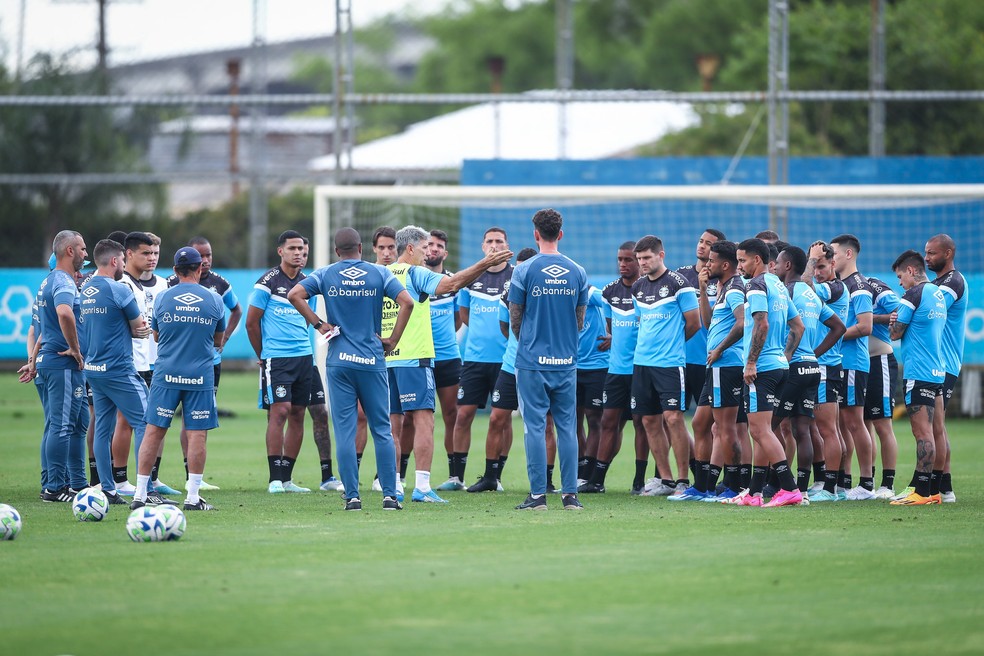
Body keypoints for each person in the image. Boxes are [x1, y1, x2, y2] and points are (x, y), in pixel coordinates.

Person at [381, 225, 514, 503]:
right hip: (415, 359)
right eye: (423, 246)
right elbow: (451, 285)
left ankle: (392, 486)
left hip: (387, 360)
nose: (427, 251)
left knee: (393, 426)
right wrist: (484, 263)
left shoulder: (383, 273)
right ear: (410, 248)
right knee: (424, 422)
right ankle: (422, 487)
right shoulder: (415, 273)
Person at [288, 227, 414, 511]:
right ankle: (390, 496)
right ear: (360, 248)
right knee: (382, 429)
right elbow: (407, 302)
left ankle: (353, 497)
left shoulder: (325, 273)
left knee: (345, 431)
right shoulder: (380, 273)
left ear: (336, 252)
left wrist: (319, 324)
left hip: (339, 362)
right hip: (371, 360)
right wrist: (393, 340)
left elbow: (295, 294)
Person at [130, 247, 226, 511]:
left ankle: (139, 494)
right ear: (199, 269)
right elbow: (218, 340)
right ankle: (193, 498)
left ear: (174, 270)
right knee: (197, 435)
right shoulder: (215, 299)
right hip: (200, 376)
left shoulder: (161, 297)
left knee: (153, 431)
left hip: (166, 374)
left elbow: (157, 336)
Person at [509, 208, 589, 511]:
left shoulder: (524, 269)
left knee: (535, 427)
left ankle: (538, 496)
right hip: (567, 361)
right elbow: (579, 320)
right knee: (567, 427)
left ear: (535, 234)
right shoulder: (577, 271)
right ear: (561, 233)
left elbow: (515, 317)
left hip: (531, 361)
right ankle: (570, 496)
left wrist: (531, 341)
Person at [723, 238, 804, 508]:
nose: (740, 266)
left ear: (757, 260)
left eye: (743, 260)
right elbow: (798, 326)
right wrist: (784, 355)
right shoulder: (778, 285)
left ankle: (790, 488)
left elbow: (762, 324)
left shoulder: (755, 285)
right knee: (762, 432)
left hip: (762, 369)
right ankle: (755, 492)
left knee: (759, 431)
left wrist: (751, 363)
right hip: (779, 366)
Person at [79, 239, 153, 505]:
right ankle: (146, 490)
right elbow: (139, 326)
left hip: (94, 369)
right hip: (119, 369)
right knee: (147, 423)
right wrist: (138, 330)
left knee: (101, 428)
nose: (123, 264)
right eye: (122, 260)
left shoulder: (84, 289)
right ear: (114, 261)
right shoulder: (119, 289)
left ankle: (107, 489)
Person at [167, 236, 242, 493]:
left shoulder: (220, 284)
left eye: (208, 254)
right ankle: (167, 476)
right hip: (175, 363)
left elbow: (237, 310)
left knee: (197, 420)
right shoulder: (171, 284)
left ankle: (194, 477)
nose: (206, 260)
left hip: (210, 364)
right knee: (169, 422)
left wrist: (225, 338)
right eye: (201, 256)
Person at [441, 227, 513, 491]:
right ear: (483, 246)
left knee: (501, 418)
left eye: (499, 241)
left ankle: (496, 476)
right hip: (473, 359)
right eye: (490, 241)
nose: (494, 245)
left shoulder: (516, 276)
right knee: (463, 415)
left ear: (507, 246)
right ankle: (456, 478)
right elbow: (465, 315)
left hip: (507, 361)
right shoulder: (471, 277)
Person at [630, 235, 701, 496]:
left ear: (662, 255)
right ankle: (666, 480)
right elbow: (642, 322)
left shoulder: (679, 284)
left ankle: (683, 479)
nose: (642, 263)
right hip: (642, 363)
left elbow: (693, 322)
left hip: (670, 364)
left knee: (673, 418)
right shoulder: (637, 287)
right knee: (649, 421)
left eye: (647, 258)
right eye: (639, 259)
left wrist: (672, 344)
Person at [246, 230, 315, 494]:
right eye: (293, 248)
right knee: (280, 411)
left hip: (304, 356)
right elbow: (251, 323)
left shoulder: (308, 283)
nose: (298, 253)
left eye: (302, 249)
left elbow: (308, 320)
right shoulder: (268, 282)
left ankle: (287, 478)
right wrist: (263, 355)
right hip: (277, 358)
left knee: (299, 413)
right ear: (281, 252)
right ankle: (274, 478)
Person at [773, 245, 845, 498]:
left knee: (768, 427)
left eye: (778, 263)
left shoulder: (789, 290)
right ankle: (803, 488)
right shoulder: (813, 295)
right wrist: (814, 354)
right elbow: (839, 327)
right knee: (802, 429)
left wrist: (788, 355)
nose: (775, 267)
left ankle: (779, 484)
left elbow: (798, 327)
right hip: (813, 368)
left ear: (789, 266)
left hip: (793, 368)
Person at [467, 247, 537, 493]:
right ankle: (490, 477)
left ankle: (546, 482)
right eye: (517, 268)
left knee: (544, 423)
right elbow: (505, 327)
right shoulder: (508, 292)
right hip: (510, 364)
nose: (519, 272)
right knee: (497, 418)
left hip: (539, 365)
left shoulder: (548, 292)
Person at [584, 242, 650, 495]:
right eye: (620, 259)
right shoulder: (610, 292)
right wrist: (615, 338)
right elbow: (612, 326)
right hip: (615, 371)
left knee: (641, 423)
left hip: (641, 369)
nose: (623, 264)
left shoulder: (649, 289)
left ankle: (639, 480)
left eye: (628, 260)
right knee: (608, 421)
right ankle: (597, 479)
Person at [113, 232, 175, 498]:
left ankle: (152, 477)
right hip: (131, 364)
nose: (152, 259)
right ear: (128, 254)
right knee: (126, 422)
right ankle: (119, 479)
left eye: (155, 254)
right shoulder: (120, 284)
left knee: (158, 422)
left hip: (158, 364)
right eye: (146, 253)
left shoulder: (164, 285)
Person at [668, 228, 726, 500]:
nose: (702, 246)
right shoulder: (680, 277)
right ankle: (686, 478)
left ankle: (720, 479)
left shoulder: (725, 281)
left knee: (715, 424)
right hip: (682, 360)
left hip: (712, 361)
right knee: (679, 420)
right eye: (701, 241)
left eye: (709, 244)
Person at [889, 250, 947, 506]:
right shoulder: (937, 293)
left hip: (919, 373)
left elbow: (894, 333)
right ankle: (933, 489)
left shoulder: (913, 294)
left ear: (911, 271)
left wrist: (894, 320)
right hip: (937, 371)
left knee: (922, 433)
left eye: (901, 276)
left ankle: (921, 492)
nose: (900, 282)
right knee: (934, 433)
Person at [35, 230, 88, 502]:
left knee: (68, 425)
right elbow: (64, 312)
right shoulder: (64, 281)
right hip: (62, 364)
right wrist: (76, 350)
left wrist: (34, 360)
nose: (85, 254)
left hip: (50, 362)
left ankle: (71, 484)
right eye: (82, 249)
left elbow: (44, 329)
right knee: (62, 426)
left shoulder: (49, 280)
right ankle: (54, 488)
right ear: (69, 251)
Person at [694, 240, 746, 501]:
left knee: (727, 429)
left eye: (712, 261)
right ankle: (701, 486)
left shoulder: (736, 288)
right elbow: (707, 321)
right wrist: (703, 289)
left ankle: (734, 486)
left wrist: (720, 349)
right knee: (700, 422)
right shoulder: (720, 287)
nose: (707, 264)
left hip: (727, 365)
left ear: (725, 265)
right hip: (715, 366)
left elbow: (743, 323)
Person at [801, 241, 850, 502]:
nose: (817, 271)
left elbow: (806, 287)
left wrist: (809, 261)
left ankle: (831, 489)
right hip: (819, 366)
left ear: (833, 264)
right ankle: (835, 485)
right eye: (815, 266)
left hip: (826, 367)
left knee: (828, 429)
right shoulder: (826, 287)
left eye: (821, 266)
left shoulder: (835, 288)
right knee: (825, 429)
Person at [830, 234, 877, 500]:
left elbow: (865, 326)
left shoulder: (858, 285)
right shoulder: (840, 284)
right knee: (842, 423)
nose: (831, 258)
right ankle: (845, 481)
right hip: (840, 362)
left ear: (849, 254)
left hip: (853, 364)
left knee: (855, 423)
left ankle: (868, 483)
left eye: (834, 254)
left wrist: (831, 336)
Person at [923, 234, 965, 504]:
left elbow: (931, 304)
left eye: (932, 253)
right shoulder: (937, 282)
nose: (927, 258)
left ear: (948, 253)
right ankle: (944, 487)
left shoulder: (953, 282)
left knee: (933, 426)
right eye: (925, 253)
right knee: (936, 426)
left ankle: (935, 487)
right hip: (937, 363)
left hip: (944, 364)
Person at [421, 230, 462, 488]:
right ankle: (400, 476)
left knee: (451, 415)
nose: (433, 249)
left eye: (438, 246)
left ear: (445, 253)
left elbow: (458, 320)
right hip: (420, 357)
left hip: (448, 358)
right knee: (414, 417)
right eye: (429, 244)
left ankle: (455, 476)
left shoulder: (453, 283)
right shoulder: (415, 279)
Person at [863, 275, 901, 498]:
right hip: (858, 365)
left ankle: (888, 484)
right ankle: (868, 482)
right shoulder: (835, 288)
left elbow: (898, 312)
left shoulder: (870, 283)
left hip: (880, 362)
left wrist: (872, 319)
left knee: (882, 425)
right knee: (863, 424)